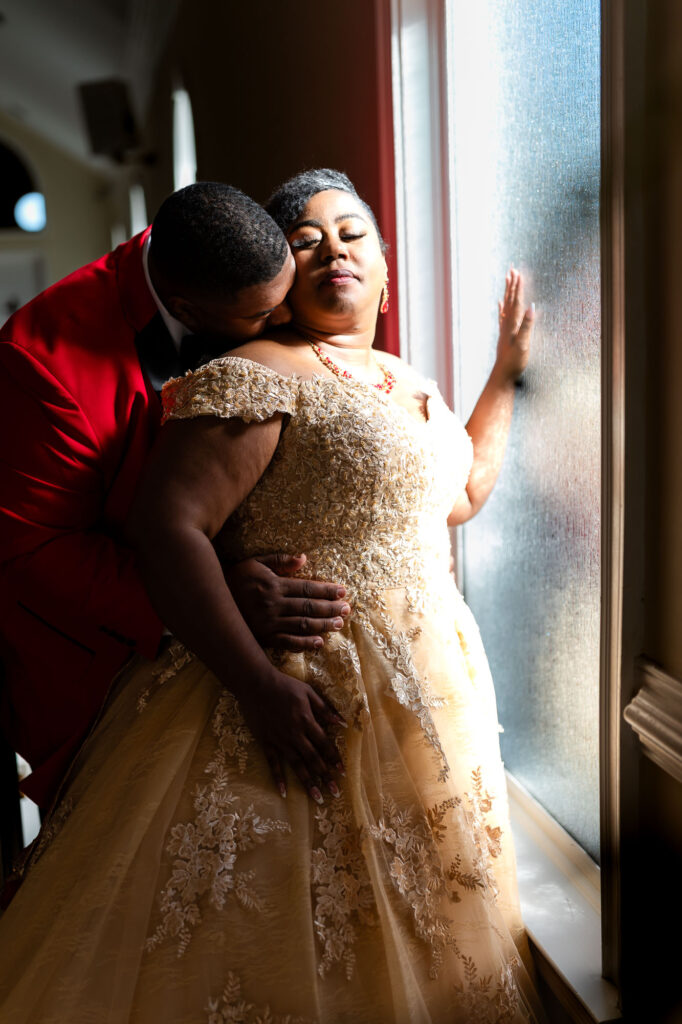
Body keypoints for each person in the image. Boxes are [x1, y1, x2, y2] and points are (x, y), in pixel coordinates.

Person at [0, 169, 544, 1023]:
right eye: (308, 241)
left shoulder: (405, 380)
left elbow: (462, 492)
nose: (333, 253)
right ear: (268, 291)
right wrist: (251, 668)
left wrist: (508, 373)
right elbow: (127, 532)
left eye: (354, 234)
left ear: (388, 267)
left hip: (427, 708)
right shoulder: (223, 370)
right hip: (262, 676)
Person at [0, 181, 351, 812]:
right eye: (261, 317)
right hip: (100, 661)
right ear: (187, 307)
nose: (282, 322)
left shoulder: (212, 247)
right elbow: (33, 551)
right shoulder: (37, 364)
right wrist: (209, 597)